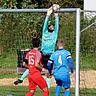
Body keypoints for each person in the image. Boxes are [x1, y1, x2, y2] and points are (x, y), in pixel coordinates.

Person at [14, 5, 59, 88]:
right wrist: (48, 15)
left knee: (48, 72)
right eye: (50, 26)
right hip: (41, 53)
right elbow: (45, 25)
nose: (52, 26)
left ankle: (47, 88)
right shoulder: (44, 33)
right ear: (48, 28)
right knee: (32, 67)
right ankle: (21, 79)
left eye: (53, 26)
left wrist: (56, 15)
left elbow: (57, 26)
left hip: (50, 55)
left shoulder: (55, 34)